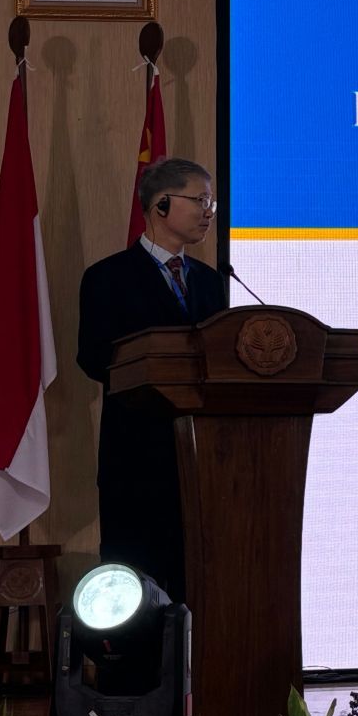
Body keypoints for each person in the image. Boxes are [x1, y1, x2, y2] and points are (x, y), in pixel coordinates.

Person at [76, 157, 223, 600]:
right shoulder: (107, 277)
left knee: (199, 586)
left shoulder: (211, 282)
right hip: (136, 461)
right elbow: (94, 358)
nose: (209, 212)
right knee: (136, 590)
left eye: (211, 202)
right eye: (200, 200)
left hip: (199, 462)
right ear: (161, 205)